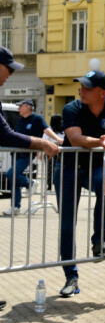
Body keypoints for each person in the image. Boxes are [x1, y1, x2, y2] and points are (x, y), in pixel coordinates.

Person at [55, 69, 105, 298]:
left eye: (87, 87)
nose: (81, 90)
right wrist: (101, 142)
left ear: (103, 93)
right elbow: (75, 138)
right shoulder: (72, 108)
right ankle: (71, 277)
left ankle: (100, 242)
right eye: (81, 85)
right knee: (67, 225)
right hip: (68, 168)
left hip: (96, 166)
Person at [0, 49, 60, 217]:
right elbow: (5, 134)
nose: (11, 75)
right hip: (17, 153)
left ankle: (19, 200)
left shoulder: (36, 118)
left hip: (24, 155)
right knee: (13, 176)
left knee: (13, 176)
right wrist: (42, 143)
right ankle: (23, 194)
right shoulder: (20, 119)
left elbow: (46, 129)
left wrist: (55, 141)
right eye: (9, 69)